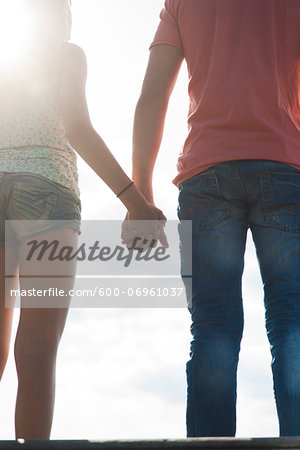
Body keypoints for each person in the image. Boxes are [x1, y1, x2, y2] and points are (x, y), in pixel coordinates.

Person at [130, 0, 300, 437]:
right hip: (284, 167)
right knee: (292, 321)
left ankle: (209, 445)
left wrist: (141, 194)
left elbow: (153, 96)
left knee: (212, 326)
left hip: (207, 176)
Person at [0, 0, 166, 439]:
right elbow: (76, 127)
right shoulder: (66, 54)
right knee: (35, 351)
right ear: (60, 18)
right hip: (46, 190)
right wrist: (136, 202)